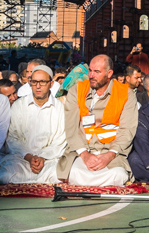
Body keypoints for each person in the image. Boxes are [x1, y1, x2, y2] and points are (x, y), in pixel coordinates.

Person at [57, 55, 138, 186]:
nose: (91, 75)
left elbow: (127, 130)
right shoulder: (76, 90)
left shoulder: (126, 93)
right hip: (81, 152)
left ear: (109, 74)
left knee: (118, 174)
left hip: (111, 153)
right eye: (90, 70)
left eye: (97, 72)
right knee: (74, 173)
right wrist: (84, 155)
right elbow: (71, 128)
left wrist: (109, 155)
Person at [0, 65, 66, 184]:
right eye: (34, 82)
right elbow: (12, 138)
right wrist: (29, 157)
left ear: (51, 84)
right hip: (22, 160)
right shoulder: (19, 105)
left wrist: (43, 157)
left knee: (60, 175)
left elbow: (61, 140)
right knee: (5, 174)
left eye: (42, 82)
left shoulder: (60, 108)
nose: (38, 86)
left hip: (48, 161)